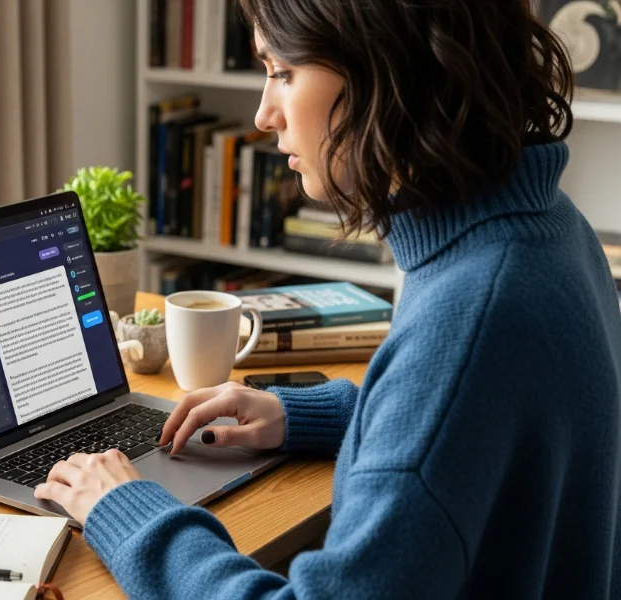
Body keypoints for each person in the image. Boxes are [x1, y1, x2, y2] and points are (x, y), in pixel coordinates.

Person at [33, 0, 621, 596]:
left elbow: (450, 392)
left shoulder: (470, 314)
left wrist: (127, 513)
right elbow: (475, 429)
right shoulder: (547, 227)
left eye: (282, 72)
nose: (264, 114)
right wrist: (310, 414)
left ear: (383, 65)